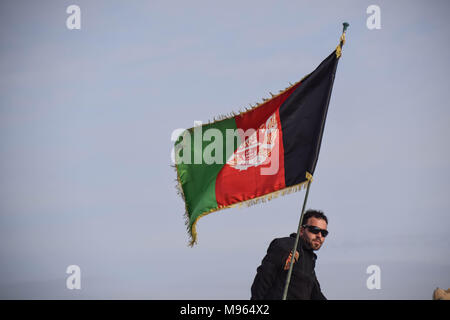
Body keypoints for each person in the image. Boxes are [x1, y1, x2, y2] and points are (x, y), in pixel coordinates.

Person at [250, 209, 328, 300]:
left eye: (324, 233)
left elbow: (316, 294)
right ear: (302, 230)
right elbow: (263, 279)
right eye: (315, 230)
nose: (319, 236)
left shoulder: (309, 259)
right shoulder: (286, 246)